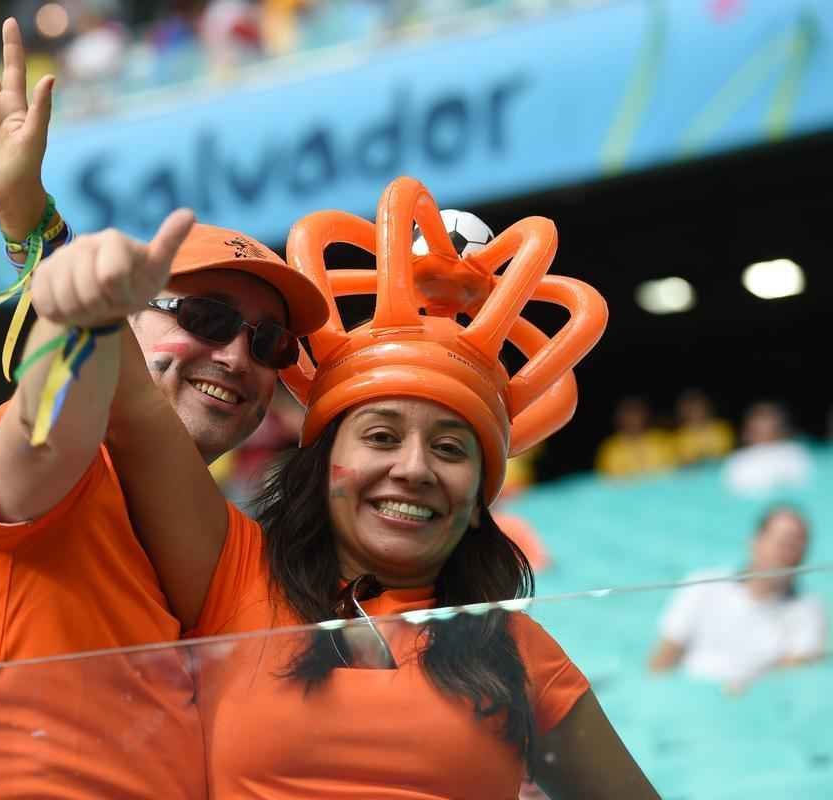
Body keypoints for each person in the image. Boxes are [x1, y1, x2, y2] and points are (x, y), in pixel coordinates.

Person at [0, 17, 328, 799]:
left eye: (270, 344)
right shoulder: (66, 467)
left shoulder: (225, 550)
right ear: (128, 318)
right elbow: (50, 428)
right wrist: (59, 270)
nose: (237, 356)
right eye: (205, 320)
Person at [104, 178, 658, 797]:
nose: (414, 469)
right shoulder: (228, 568)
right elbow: (128, 403)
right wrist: (34, 234)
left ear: (478, 500)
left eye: (450, 448)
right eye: (381, 436)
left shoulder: (516, 648)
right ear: (322, 465)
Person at [648, 505, 827, 691]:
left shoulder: (808, 609)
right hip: (690, 694)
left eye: (798, 548)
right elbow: (662, 662)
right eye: (783, 544)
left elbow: (794, 674)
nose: (790, 555)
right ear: (755, 542)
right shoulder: (702, 586)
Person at [722, 401, 812, 496]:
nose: (763, 428)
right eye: (757, 423)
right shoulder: (737, 460)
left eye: (767, 421)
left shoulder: (795, 453)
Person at [595, 396, 676, 479]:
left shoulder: (661, 440)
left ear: (645, 414)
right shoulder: (609, 449)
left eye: (636, 411)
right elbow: (606, 482)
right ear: (617, 417)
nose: (632, 417)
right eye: (627, 412)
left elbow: (674, 474)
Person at [672, 388, 734, 465]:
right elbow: (679, 462)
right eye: (689, 407)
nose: (693, 411)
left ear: (705, 407)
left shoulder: (721, 429)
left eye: (696, 406)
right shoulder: (678, 436)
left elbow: (726, 455)